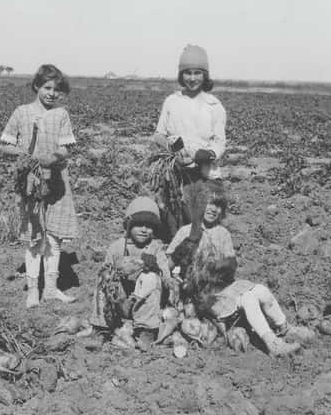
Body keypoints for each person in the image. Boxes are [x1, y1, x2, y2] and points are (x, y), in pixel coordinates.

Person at [0, 64, 79, 307]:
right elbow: (4, 144)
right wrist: (24, 155)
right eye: (47, 88)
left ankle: (51, 289)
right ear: (36, 86)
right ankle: (33, 290)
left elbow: (66, 148)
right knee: (35, 237)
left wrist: (52, 158)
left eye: (56, 89)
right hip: (30, 182)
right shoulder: (22, 112)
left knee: (54, 237)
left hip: (56, 181)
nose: (52, 93)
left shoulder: (61, 114)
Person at [152, 44, 227, 239]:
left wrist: (208, 154)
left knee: (204, 222)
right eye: (187, 73)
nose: (192, 78)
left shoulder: (214, 105)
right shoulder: (172, 102)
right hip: (177, 172)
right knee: (177, 219)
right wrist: (173, 150)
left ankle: (203, 260)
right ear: (181, 75)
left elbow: (220, 142)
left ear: (205, 75)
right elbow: (159, 135)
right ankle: (177, 262)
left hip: (205, 173)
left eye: (197, 73)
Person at [85, 197, 171, 350]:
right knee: (104, 278)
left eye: (149, 226)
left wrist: (154, 268)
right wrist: (109, 274)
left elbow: (166, 278)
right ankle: (101, 328)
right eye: (139, 225)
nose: (144, 230)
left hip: (146, 306)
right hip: (120, 302)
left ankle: (146, 331)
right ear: (129, 225)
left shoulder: (155, 248)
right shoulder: (117, 247)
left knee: (150, 277)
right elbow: (106, 268)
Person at [194, 257, 314, 357]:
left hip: (227, 286)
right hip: (217, 300)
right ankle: (273, 344)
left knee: (261, 290)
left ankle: (285, 328)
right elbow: (198, 287)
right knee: (248, 299)